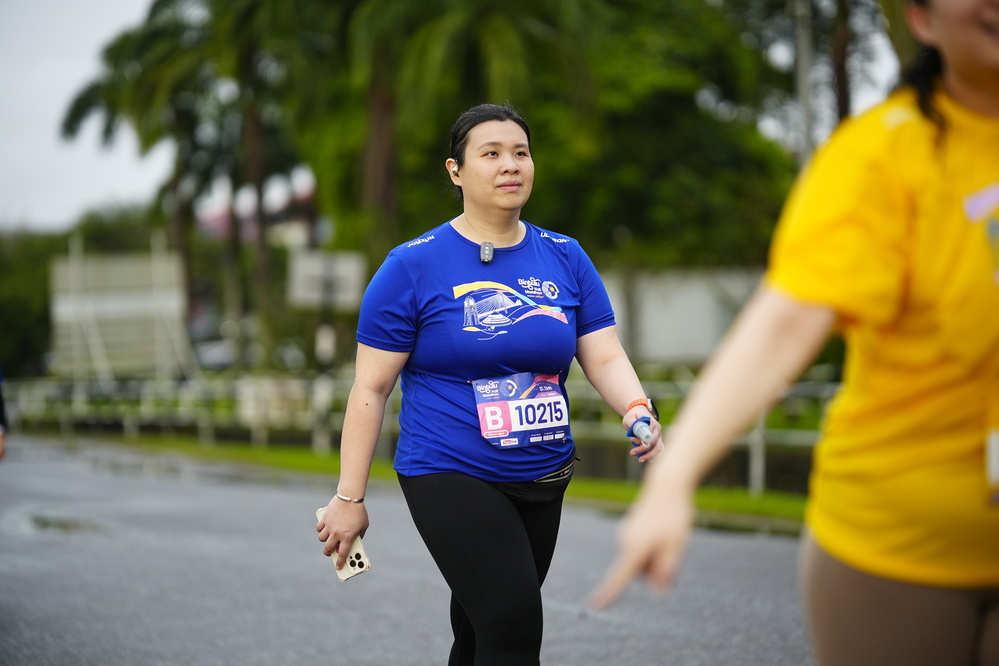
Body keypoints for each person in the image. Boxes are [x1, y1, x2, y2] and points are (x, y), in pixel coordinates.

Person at [590, 0, 999, 663]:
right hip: (897, 551)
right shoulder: (881, 155)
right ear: (922, 20)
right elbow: (780, 327)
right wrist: (673, 479)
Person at [316, 102, 665, 664]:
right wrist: (348, 497)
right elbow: (370, 388)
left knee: (481, 631)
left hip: (544, 471)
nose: (511, 165)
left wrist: (636, 407)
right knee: (514, 624)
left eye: (521, 153)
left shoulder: (565, 256)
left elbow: (603, 354)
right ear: (456, 171)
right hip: (449, 468)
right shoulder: (411, 266)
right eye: (492, 153)